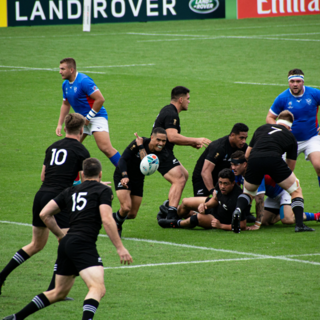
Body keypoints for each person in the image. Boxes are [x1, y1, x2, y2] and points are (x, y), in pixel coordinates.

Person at [2, 158, 133, 320]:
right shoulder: (103, 190)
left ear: (82, 174)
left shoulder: (71, 191)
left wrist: (59, 235)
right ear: (100, 174)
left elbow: (44, 214)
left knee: (58, 293)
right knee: (97, 288)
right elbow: (107, 219)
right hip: (83, 244)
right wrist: (120, 247)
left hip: (67, 243)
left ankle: (16, 317)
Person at [0, 113, 90, 295]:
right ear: (81, 130)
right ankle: (53, 290)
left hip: (41, 195)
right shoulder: (81, 151)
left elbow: (43, 176)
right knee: (66, 242)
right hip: (59, 199)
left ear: (65, 128)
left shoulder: (52, 147)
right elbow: (82, 181)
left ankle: (2, 276)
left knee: (36, 244)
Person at [232, 110, 315, 233]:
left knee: (248, 192)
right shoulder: (291, 136)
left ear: (277, 121)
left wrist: (257, 169)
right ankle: (299, 225)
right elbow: (290, 167)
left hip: (254, 159)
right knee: (296, 190)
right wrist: (278, 174)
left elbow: (247, 155)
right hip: (274, 159)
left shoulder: (261, 128)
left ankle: (238, 209)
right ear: (290, 127)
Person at [152, 86, 211, 220]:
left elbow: (172, 136)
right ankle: (171, 215)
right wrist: (196, 139)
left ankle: (167, 205)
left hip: (164, 151)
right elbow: (172, 137)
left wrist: (191, 143)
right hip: (161, 152)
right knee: (179, 178)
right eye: (188, 99)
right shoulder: (171, 113)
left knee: (184, 174)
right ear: (180, 99)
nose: (189, 101)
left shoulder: (168, 110)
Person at [56, 57, 121, 169]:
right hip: (81, 120)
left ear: (71, 70)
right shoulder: (65, 84)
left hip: (96, 116)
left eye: (63, 69)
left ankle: (127, 171)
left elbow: (100, 99)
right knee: (71, 148)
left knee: (105, 148)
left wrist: (88, 118)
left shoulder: (84, 81)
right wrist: (60, 124)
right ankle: (75, 181)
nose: (60, 72)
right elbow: (66, 104)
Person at [113, 127, 176, 236]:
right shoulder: (140, 141)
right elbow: (123, 159)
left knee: (132, 214)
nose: (161, 143)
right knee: (126, 207)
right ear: (152, 137)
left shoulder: (163, 153)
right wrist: (124, 175)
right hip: (123, 174)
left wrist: (140, 146)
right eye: (158, 140)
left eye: (164, 141)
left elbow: (146, 163)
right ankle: (116, 224)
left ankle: (111, 218)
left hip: (138, 179)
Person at [266, 69, 320, 188]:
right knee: (283, 174)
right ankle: (280, 201)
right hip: (289, 141)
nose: (295, 84)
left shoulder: (314, 94)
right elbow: (270, 117)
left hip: (311, 138)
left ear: (303, 82)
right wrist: (279, 130)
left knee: (319, 166)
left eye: (298, 81)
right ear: (289, 82)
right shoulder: (282, 98)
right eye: (292, 81)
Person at [158, 169, 248, 231]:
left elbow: (243, 225)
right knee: (185, 201)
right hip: (215, 207)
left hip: (218, 219)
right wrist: (206, 205)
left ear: (233, 183)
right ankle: (174, 214)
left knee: (196, 218)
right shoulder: (220, 185)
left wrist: (221, 226)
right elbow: (216, 199)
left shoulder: (238, 199)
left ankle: (176, 223)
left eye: (225, 184)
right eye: (220, 183)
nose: (222, 186)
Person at [192, 123, 248, 197]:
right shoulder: (219, 147)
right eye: (241, 138)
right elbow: (205, 171)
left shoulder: (242, 147)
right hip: (202, 178)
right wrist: (212, 191)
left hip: (222, 179)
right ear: (232, 135)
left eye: (245, 138)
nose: (243, 141)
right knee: (202, 205)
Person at [255, 175, 320, 227]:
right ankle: (283, 210)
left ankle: (317, 216)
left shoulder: (256, 174)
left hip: (285, 192)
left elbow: (259, 197)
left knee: (288, 219)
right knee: (264, 221)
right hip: (273, 197)